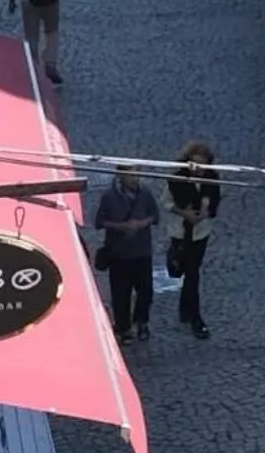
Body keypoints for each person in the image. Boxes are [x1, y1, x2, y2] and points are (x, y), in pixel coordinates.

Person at [94, 165, 160, 344]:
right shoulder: (109, 197)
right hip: (119, 254)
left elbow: (155, 215)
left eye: (137, 173)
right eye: (130, 174)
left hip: (142, 252)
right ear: (120, 176)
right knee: (120, 293)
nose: (134, 178)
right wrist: (121, 227)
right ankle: (123, 329)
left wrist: (140, 224)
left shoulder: (145, 193)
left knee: (145, 291)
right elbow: (100, 222)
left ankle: (141, 321)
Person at [166, 141, 221, 340]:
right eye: (194, 164)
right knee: (183, 271)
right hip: (180, 231)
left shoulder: (212, 179)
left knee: (192, 273)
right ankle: (190, 313)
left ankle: (192, 314)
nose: (198, 169)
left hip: (201, 233)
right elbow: (167, 202)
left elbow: (214, 201)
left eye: (202, 165)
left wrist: (204, 212)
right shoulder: (177, 178)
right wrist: (184, 213)